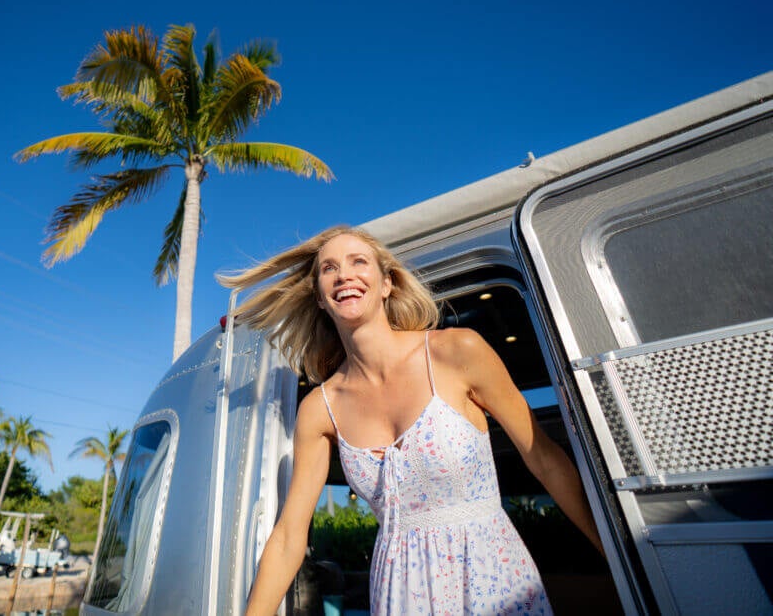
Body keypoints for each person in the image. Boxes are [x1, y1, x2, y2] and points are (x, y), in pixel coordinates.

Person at [220, 226, 603, 616]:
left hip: (493, 580)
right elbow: (288, 536)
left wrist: (621, 552)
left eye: (358, 262)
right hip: (399, 594)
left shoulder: (456, 350)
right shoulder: (321, 408)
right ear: (320, 297)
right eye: (329, 269)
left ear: (387, 283)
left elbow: (544, 459)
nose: (344, 275)